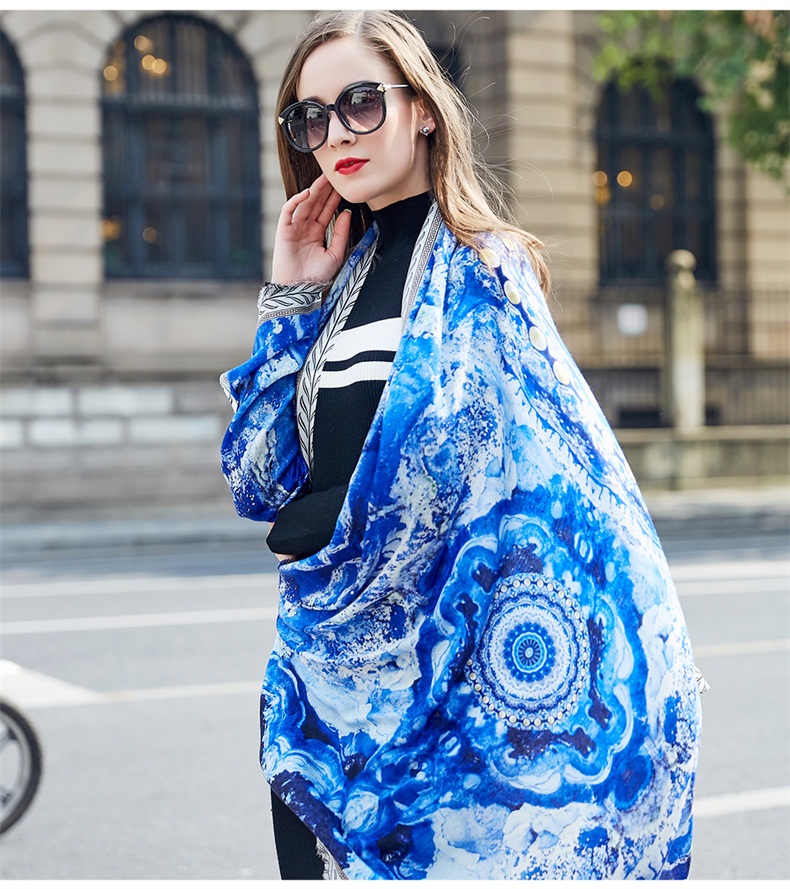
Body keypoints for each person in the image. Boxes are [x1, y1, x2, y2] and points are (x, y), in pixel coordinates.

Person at [220, 9, 702, 881]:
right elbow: (258, 481)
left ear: (422, 109)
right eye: (310, 117)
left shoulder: (487, 269)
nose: (336, 134)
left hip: (452, 712)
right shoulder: (333, 281)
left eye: (361, 102)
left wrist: (329, 522)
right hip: (321, 693)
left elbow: (526, 486)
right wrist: (289, 298)